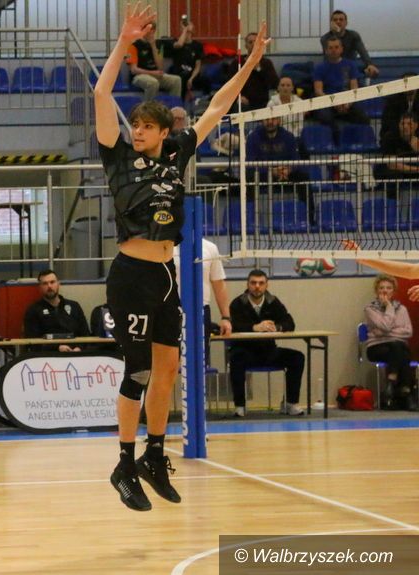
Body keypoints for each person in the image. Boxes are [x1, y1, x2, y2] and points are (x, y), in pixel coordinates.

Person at [94, 3, 272, 512]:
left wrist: (250, 63)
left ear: (161, 133)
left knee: (168, 368)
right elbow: (102, 94)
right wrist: (125, 41)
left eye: (145, 128)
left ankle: (154, 455)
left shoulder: (176, 153)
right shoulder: (118, 156)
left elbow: (217, 106)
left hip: (165, 274)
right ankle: (123, 463)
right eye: (136, 127)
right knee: (138, 371)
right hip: (130, 274)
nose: (138, 133)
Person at [228, 270, 305, 418]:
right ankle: (240, 406)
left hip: (269, 351)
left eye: (261, 283)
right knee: (236, 359)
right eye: (253, 283)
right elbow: (234, 325)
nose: (257, 286)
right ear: (247, 284)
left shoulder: (273, 302)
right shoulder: (237, 303)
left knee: (297, 357)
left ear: (266, 285)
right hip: (245, 351)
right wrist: (254, 327)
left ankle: (291, 403)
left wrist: (277, 327)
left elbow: (289, 322)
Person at [172, 238, 232, 365]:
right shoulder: (165, 245)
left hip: (200, 310)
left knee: (200, 361)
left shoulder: (210, 247)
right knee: (169, 363)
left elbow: (219, 284)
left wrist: (226, 317)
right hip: (171, 310)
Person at [363, 274, 416, 410]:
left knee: (398, 347)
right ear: (376, 291)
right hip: (376, 348)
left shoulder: (402, 309)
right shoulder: (370, 309)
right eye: (381, 288)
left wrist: (384, 332)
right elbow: (386, 326)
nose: (385, 291)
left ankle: (392, 384)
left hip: (395, 348)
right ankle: (407, 393)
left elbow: (408, 331)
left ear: (394, 291)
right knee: (401, 349)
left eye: (388, 288)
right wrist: (388, 307)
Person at [23, 269, 90, 352]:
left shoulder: (74, 306)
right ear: (40, 287)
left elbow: (86, 334)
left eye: (52, 282)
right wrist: (57, 348)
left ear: (58, 284)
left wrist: (79, 348)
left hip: (77, 354)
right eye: (45, 283)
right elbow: (32, 342)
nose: (49, 286)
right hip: (48, 356)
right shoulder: (33, 310)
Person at [245, 116, 308, 205]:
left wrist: (289, 169)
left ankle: (309, 212)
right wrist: (271, 171)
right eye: (267, 119)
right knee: (250, 176)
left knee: (303, 176)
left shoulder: (288, 136)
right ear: (262, 120)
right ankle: (249, 210)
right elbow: (250, 164)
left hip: (284, 173)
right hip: (263, 175)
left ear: (279, 120)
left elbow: (295, 159)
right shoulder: (253, 137)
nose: (270, 122)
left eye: (273, 119)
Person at [313, 36, 368, 127]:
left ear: (341, 49)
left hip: (347, 102)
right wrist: (333, 103)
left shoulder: (351, 65)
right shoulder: (319, 68)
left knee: (363, 118)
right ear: (326, 50)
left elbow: (354, 88)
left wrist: (348, 103)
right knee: (325, 118)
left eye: (336, 47)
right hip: (328, 103)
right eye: (331, 48)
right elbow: (318, 91)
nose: (334, 50)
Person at [126, 23, 181, 101]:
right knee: (153, 83)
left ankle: (174, 105)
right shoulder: (134, 46)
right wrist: (152, 73)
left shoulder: (158, 45)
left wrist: (153, 45)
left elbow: (160, 67)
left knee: (176, 80)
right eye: (148, 29)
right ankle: (148, 107)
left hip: (155, 74)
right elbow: (134, 70)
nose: (150, 32)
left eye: (152, 30)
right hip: (139, 76)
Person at [226, 31, 278, 111]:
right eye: (250, 42)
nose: (253, 44)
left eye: (255, 42)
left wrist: (259, 69)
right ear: (246, 46)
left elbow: (274, 83)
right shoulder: (237, 62)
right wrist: (238, 96)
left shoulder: (266, 63)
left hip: (261, 101)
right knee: (239, 106)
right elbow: (230, 83)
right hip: (243, 101)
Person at [320, 10, 379, 79]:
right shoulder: (325, 38)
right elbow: (331, 57)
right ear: (331, 23)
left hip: (351, 68)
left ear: (346, 23)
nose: (338, 22)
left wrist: (369, 64)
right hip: (332, 69)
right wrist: (336, 34)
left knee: (372, 70)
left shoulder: (353, 36)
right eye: (335, 20)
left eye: (341, 20)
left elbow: (363, 52)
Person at [167, 21, 210, 101]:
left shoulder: (197, 46)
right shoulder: (174, 42)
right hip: (178, 73)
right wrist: (185, 30)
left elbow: (197, 66)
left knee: (206, 80)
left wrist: (192, 78)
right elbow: (179, 45)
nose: (187, 33)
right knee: (181, 79)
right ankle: (180, 102)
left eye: (189, 32)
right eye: (184, 31)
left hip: (192, 74)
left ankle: (206, 100)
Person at [376, 113, 419, 185]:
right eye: (402, 124)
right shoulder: (390, 137)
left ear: (416, 126)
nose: (405, 126)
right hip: (394, 170)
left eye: (409, 124)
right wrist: (416, 169)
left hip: (412, 168)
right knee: (393, 174)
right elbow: (392, 165)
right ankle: (392, 193)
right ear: (399, 125)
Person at [380, 73, 417, 143]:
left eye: (412, 82)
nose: (409, 85)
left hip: (416, 133)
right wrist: (403, 129)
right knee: (388, 137)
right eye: (406, 82)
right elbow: (388, 122)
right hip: (398, 134)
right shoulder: (393, 100)